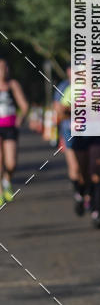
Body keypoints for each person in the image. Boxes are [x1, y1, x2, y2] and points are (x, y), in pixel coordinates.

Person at [56, 82, 100, 229]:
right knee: (80, 172)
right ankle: (80, 194)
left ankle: (97, 213)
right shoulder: (71, 89)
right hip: (78, 135)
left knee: (95, 171)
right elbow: (61, 112)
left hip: (96, 134)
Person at [54, 66, 90, 215]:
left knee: (85, 168)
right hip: (69, 133)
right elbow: (58, 113)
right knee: (74, 168)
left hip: (88, 133)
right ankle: (79, 195)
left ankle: (85, 194)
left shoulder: (91, 87)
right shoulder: (64, 87)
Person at [0, 59, 29, 205]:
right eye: (1, 68)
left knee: (11, 163)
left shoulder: (13, 85)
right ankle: (0, 191)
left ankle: (7, 181)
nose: (3, 71)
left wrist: (21, 117)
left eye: (5, 68)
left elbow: (24, 105)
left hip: (10, 127)